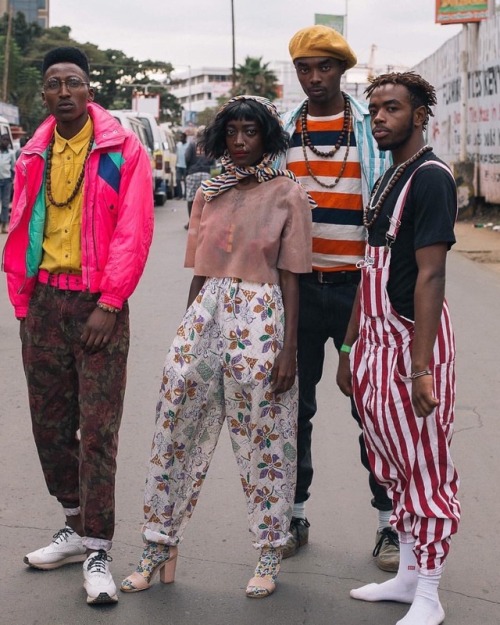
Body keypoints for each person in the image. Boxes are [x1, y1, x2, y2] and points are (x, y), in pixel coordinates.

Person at [120, 95, 313, 599]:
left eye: (251, 132)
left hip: (261, 317)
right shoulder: (208, 190)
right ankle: (158, 543)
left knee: (267, 440)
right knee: (174, 423)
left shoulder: (288, 194)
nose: (241, 141)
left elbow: (293, 279)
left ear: (268, 137)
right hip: (205, 313)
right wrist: (187, 329)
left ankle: (270, 551)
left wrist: (289, 350)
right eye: (233, 132)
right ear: (221, 136)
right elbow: (201, 271)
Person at [3, 47, 154, 605]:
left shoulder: (121, 150)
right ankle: (73, 521)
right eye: (52, 84)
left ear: (89, 90)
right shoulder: (33, 151)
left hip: (97, 306)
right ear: (42, 95)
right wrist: (23, 301)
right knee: (49, 426)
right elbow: (21, 224)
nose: (63, 92)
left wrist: (110, 303)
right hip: (42, 302)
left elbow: (134, 231)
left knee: (98, 431)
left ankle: (97, 548)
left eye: (73, 82)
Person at [337, 71, 460, 625]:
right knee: (391, 461)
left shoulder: (431, 178)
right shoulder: (388, 175)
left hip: (415, 342)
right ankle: (407, 575)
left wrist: (421, 367)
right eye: (376, 110)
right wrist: (349, 348)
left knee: (426, 465)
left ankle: (430, 593)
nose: (382, 118)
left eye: (393, 108)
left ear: (419, 114)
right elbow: (370, 270)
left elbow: (430, 276)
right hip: (376, 342)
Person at [280, 24, 397, 570]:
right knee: (293, 411)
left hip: (359, 293)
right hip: (299, 291)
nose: (314, 77)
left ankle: (389, 524)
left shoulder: (373, 131)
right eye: (305, 68)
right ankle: (293, 514)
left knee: (370, 410)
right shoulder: (283, 132)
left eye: (324, 67)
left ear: (341, 70)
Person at [183, 125, 214, 229]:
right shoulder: (209, 145)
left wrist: (188, 169)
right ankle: (204, 221)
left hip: (193, 173)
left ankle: (191, 222)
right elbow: (212, 160)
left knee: (191, 198)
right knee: (206, 199)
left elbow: (187, 157)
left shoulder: (192, 144)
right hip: (206, 173)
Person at [0, 133, 15, 233]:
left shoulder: (11, 153)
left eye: (7, 140)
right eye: (3, 140)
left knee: (5, 204)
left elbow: (14, 167)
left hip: (7, 181)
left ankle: (4, 226)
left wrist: (13, 180)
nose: (5, 142)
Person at [175, 131, 188, 199]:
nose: (181, 138)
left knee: (186, 181)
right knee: (178, 180)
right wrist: (175, 164)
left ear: (185, 138)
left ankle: (185, 195)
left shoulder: (188, 145)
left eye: (182, 137)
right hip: (179, 165)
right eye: (180, 137)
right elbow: (176, 155)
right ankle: (180, 195)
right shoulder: (178, 145)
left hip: (186, 166)